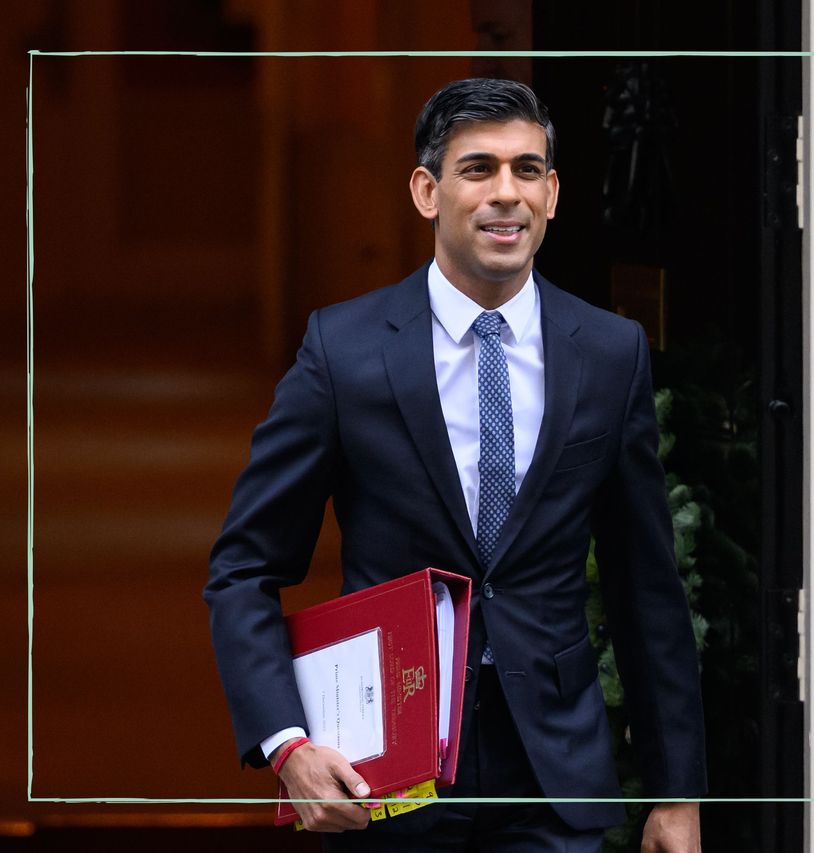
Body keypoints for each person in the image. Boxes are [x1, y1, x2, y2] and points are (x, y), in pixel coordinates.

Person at [203, 78, 706, 852]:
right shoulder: (345, 352)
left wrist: (676, 794)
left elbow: (647, 586)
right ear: (427, 190)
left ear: (554, 192)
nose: (507, 193)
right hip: (388, 782)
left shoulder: (609, 353)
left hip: (554, 780)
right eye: (479, 169)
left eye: (527, 169)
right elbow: (243, 566)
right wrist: (288, 745)